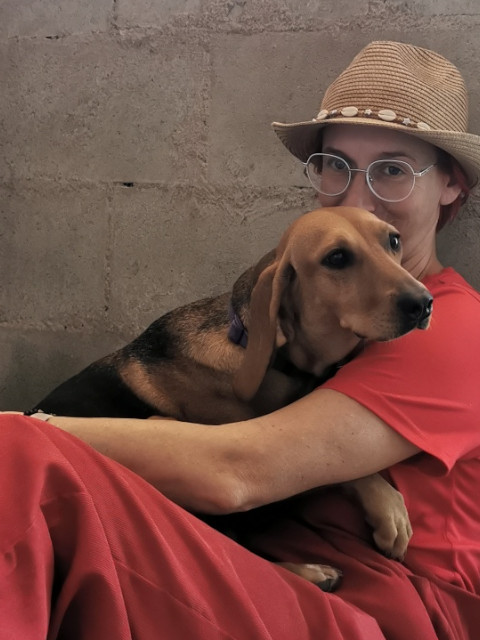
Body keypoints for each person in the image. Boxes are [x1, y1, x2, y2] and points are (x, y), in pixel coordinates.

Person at [2, 40, 480, 640]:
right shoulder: (322, 320)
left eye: (392, 170)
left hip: (374, 608)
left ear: (450, 185)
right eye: (337, 165)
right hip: (264, 566)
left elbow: (236, 472)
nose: (357, 198)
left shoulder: (451, 329)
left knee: (18, 462)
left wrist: (31, 427)